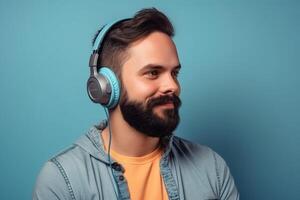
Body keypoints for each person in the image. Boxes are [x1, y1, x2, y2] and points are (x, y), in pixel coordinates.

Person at [33, 8, 239, 200]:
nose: (173, 86)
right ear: (106, 87)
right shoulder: (62, 179)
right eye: (153, 73)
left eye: (174, 73)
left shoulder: (212, 168)